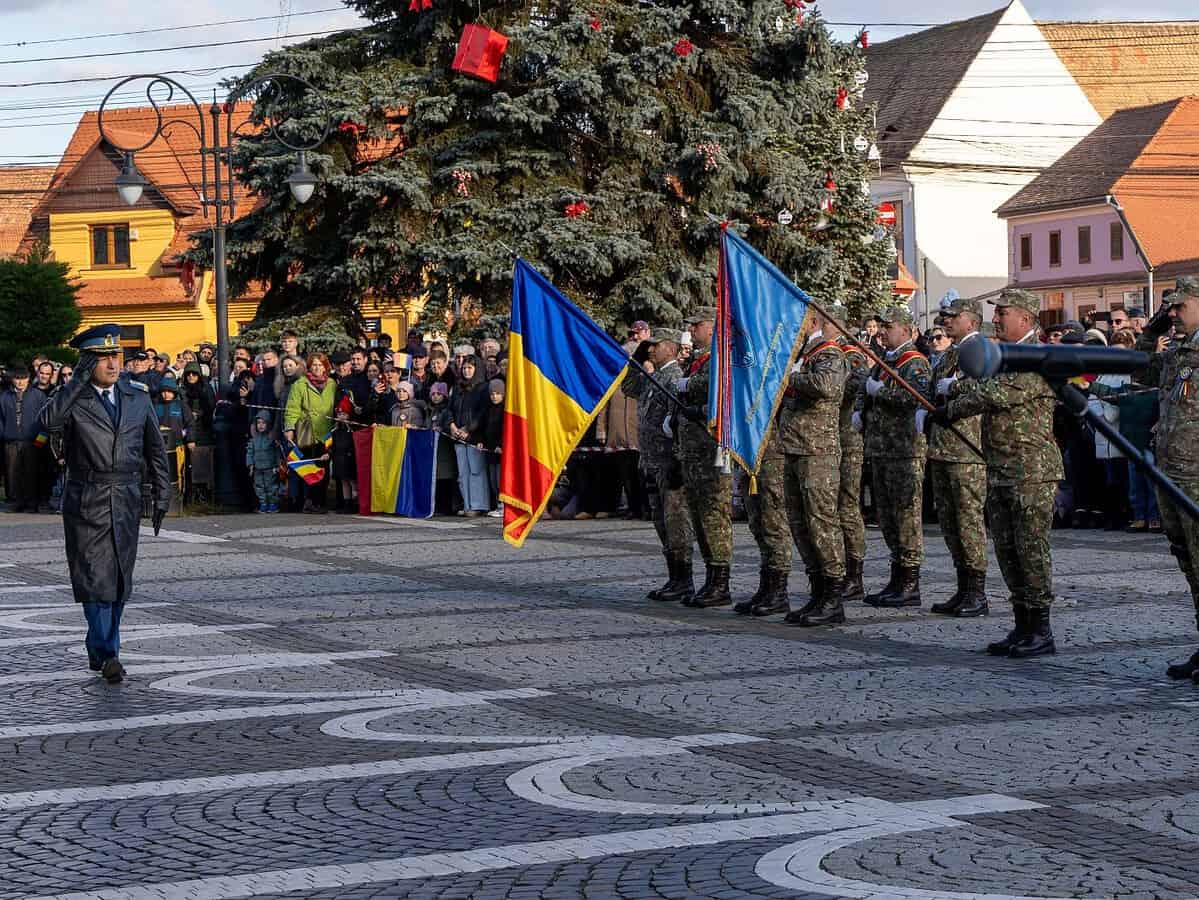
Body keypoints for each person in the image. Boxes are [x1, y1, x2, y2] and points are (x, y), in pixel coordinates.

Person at [41, 325, 170, 684]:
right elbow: (48, 422)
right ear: (87, 363)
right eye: (103, 357)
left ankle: (102, 648)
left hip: (126, 497)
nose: (114, 363)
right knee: (94, 577)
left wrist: (164, 491)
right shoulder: (74, 399)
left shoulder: (138, 396)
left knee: (118, 580)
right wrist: (75, 382)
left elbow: (155, 449)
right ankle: (107, 652)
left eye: (117, 356)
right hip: (87, 497)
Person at [939, 288, 1063, 658]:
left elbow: (992, 394)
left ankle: (1041, 629)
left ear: (1025, 318)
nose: (997, 318)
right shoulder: (1007, 355)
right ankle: (1022, 624)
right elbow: (983, 386)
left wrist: (950, 409)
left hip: (1031, 470)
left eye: (1004, 312)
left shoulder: (1038, 357)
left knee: (1030, 550)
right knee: (1008, 549)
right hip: (1001, 466)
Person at [1140, 277, 1199, 681]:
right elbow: (1143, 371)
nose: (1173, 314)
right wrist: (1153, 328)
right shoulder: (1178, 350)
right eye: (1170, 307)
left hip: (1196, 475)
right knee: (1190, 565)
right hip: (1172, 472)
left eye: (1180, 306)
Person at [776, 309, 848, 625]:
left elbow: (826, 386)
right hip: (794, 447)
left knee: (821, 521)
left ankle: (833, 597)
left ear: (814, 322)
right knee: (799, 522)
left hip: (818, 450)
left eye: (801, 319)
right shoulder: (806, 354)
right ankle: (818, 592)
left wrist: (789, 376)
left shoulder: (829, 352)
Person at [921, 296, 988, 617]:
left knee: (968, 521)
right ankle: (963, 587)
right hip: (944, 446)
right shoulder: (952, 354)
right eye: (944, 316)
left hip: (967, 447)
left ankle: (977, 591)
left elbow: (983, 390)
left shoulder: (980, 351)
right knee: (950, 523)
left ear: (972, 321)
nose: (946, 321)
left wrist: (955, 389)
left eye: (952, 316)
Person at [861, 306, 930, 608]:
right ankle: (896, 577)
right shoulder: (883, 361)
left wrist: (880, 393)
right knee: (887, 518)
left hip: (904, 450)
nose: (883, 332)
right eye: (882, 327)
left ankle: (910, 582)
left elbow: (915, 398)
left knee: (906, 518)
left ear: (905, 329)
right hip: (881, 448)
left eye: (889, 327)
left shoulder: (913, 362)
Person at [621, 328, 694, 603]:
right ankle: (674, 577)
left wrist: (677, 460)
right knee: (661, 521)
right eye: (649, 346)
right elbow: (628, 387)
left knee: (675, 523)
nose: (651, 349)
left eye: (655, 345)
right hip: (651, 461)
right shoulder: (655, 377)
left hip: (668, 462)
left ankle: (683, 579)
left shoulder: (674, 378)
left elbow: (677, 425)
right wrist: (637, 360)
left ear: (673, 349)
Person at [676, 307, 733, 608]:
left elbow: (721, 392)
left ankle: (721, 582)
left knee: (714, 515)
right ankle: (711, 577)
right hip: (694, 452)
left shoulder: (718, 360)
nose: (692, 331)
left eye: (697, 326)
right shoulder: (698, 361)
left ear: (711, 328)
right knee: (700, 517)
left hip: (712, 451)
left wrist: (691, 390)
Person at [835, 304, 870, 603]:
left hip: (847, 439)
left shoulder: (851, 355)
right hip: (829, 439)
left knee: (846, 506)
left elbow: (856, 386)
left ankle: (854, 575)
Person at [284, 352, 337, 514]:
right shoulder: (300, 384)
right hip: (307, 431)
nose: (317, 368)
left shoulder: (332, 384)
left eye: (320, 365)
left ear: (325, 367)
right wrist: (289, 428)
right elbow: (292, 408)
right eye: (314, 365)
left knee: (324, 470)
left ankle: (319, 502)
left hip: (327, 431)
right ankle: (309, 502)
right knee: (310, 468)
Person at [447, 354, 490, 516]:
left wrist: (468, 429)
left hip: (474, 436)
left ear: (476, 369)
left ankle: (479, 505)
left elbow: (482, 413)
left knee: (476, 470)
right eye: (464, 368)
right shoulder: (458, 387)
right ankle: (467, 504)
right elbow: (449, 409)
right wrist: (451, 425)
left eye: (469, 368)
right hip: (457, 436)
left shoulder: (482, 388)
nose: (466, 371)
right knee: (463, 471)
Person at [0, 366, 32, 511]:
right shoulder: (4, 396)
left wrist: (40, 441)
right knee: (11, 472)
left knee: (31, 471)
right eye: (17, 379)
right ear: (12, 379)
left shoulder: (37, 395)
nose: (20, 382)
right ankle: (13, 501)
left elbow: (43, 420)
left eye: (23, 379)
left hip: (32, 441)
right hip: (10, 440)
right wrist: (4, 436)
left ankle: (31, 501)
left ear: (28, 379)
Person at [246, 410, 283, 513]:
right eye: (258, 423)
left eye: (263, 423)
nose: (261, 425)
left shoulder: (271, 439)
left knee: (271, 487)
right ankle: (263, 503)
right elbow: (250, 452)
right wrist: (250, 465)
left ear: (268, 424)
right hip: (258, 468)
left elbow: (277, 453)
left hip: (270, 468)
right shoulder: (254, 439)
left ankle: (273, 504)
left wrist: (278, 464)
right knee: (259, 487)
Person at [480, 379, 505, 516]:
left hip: (501, 451)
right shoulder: (489, 409)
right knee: (493, 479)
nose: (494, 396)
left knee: (501, 478)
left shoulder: (505, 410)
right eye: (492, 394)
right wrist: (481, 442)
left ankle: (503, 505)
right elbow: (485, 428)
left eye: (497, 393)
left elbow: (506, 430)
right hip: (490, 450)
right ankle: (497, 504)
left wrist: (501, 445)